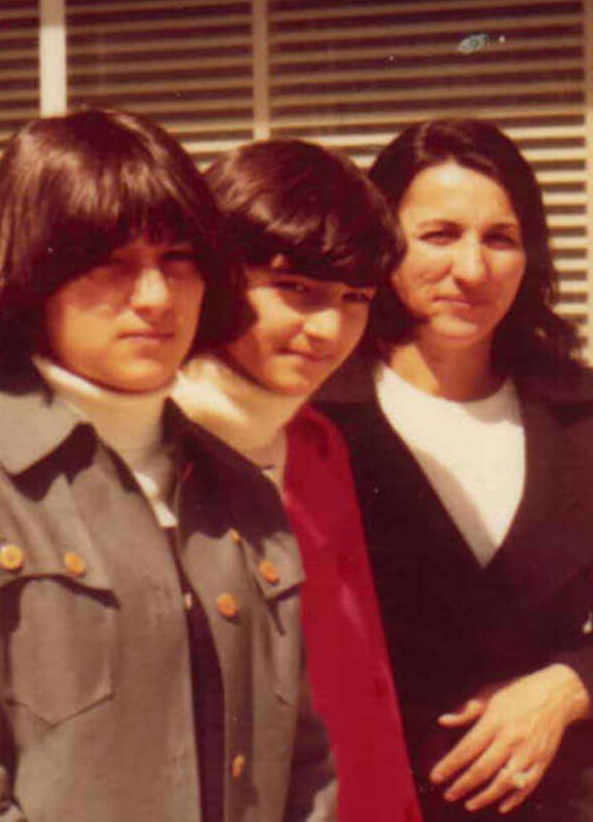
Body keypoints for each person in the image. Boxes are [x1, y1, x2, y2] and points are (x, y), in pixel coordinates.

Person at [0, 109, 338, 822]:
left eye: (178, 258)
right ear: (32, 276)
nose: (154, 297)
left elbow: (302, 767)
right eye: (110, 262)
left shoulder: (240, 487)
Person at [315, 117, 593, 821]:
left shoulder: (587, 414)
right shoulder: (315, 417)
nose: (472, 269)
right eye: (439, 235)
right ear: (383, 244)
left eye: (500, 238)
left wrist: (567, 687)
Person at [172, 139, 421, 821]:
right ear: (218, 275)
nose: (329, 327)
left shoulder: (318, 445)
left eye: (355, 297)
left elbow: (359, 684)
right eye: (296, 290)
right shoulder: (144, 449)